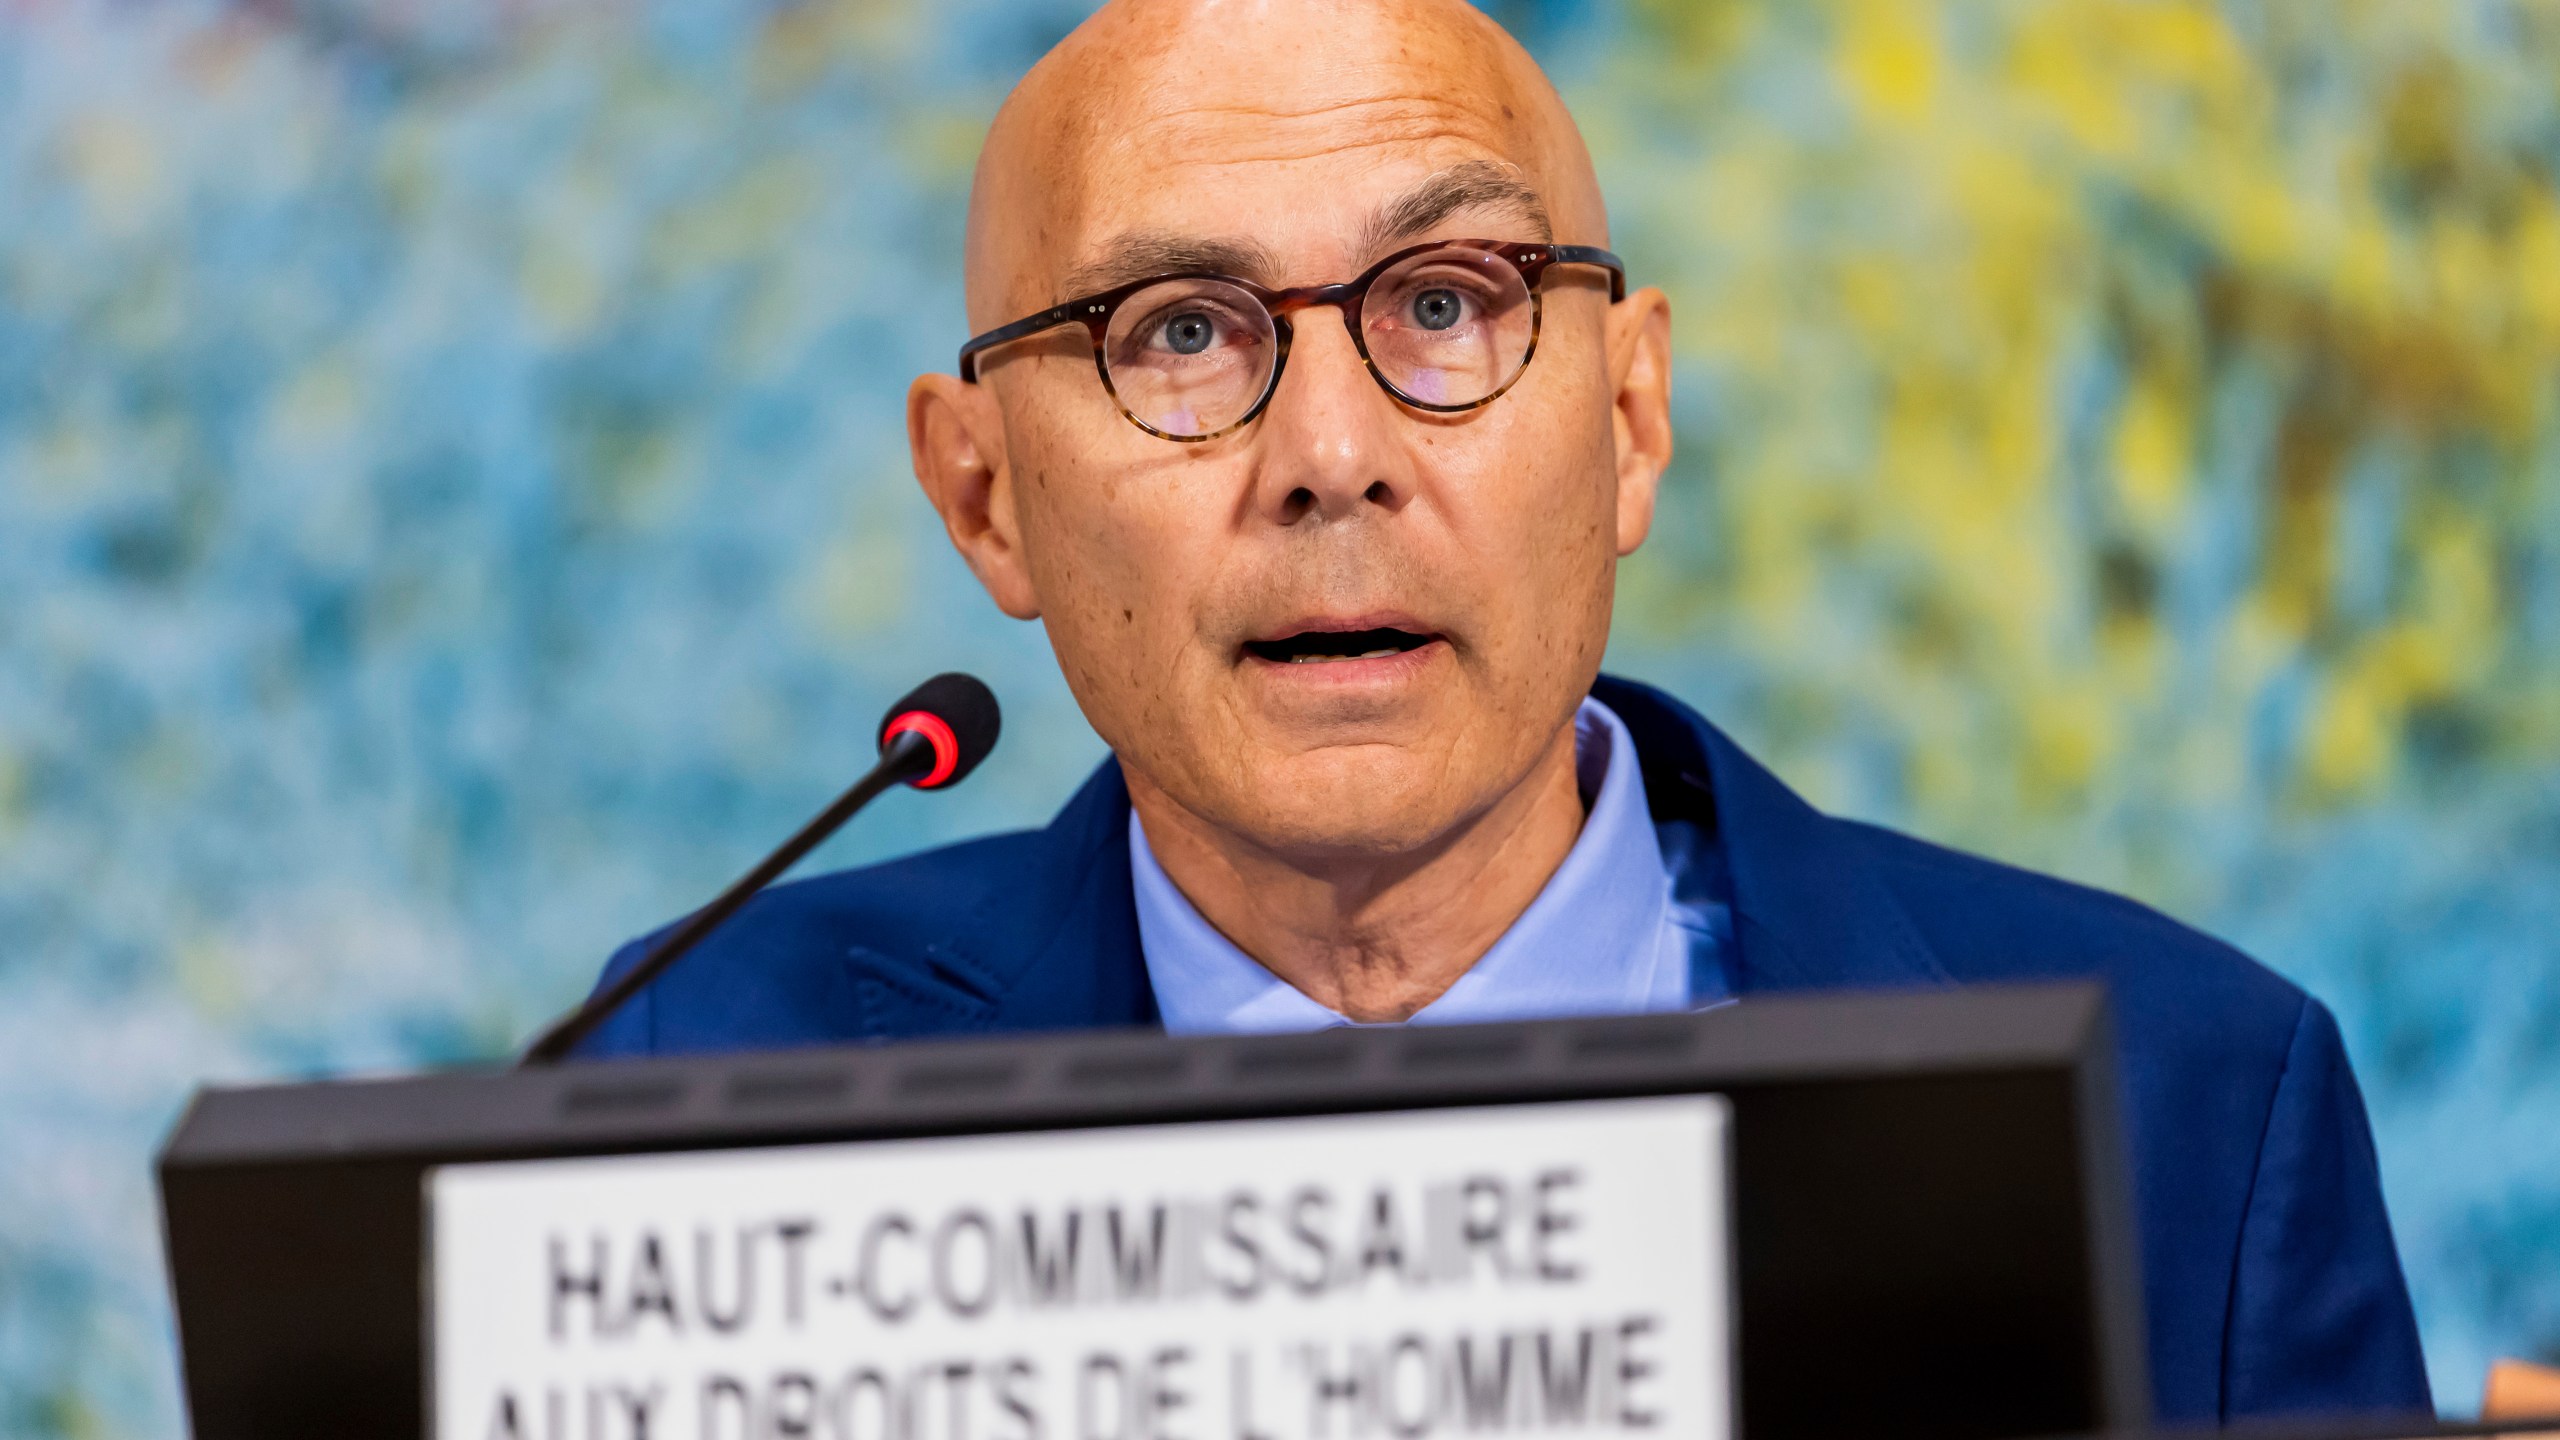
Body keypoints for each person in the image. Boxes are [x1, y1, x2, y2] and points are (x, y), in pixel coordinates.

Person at [575, 0, 2432, 1422]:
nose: (1331, 455)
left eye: (1447, 305)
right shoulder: (686, 1086)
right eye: (1180, 331)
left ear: (1629, 419)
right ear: (984, 496)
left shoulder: (2191, 1106)